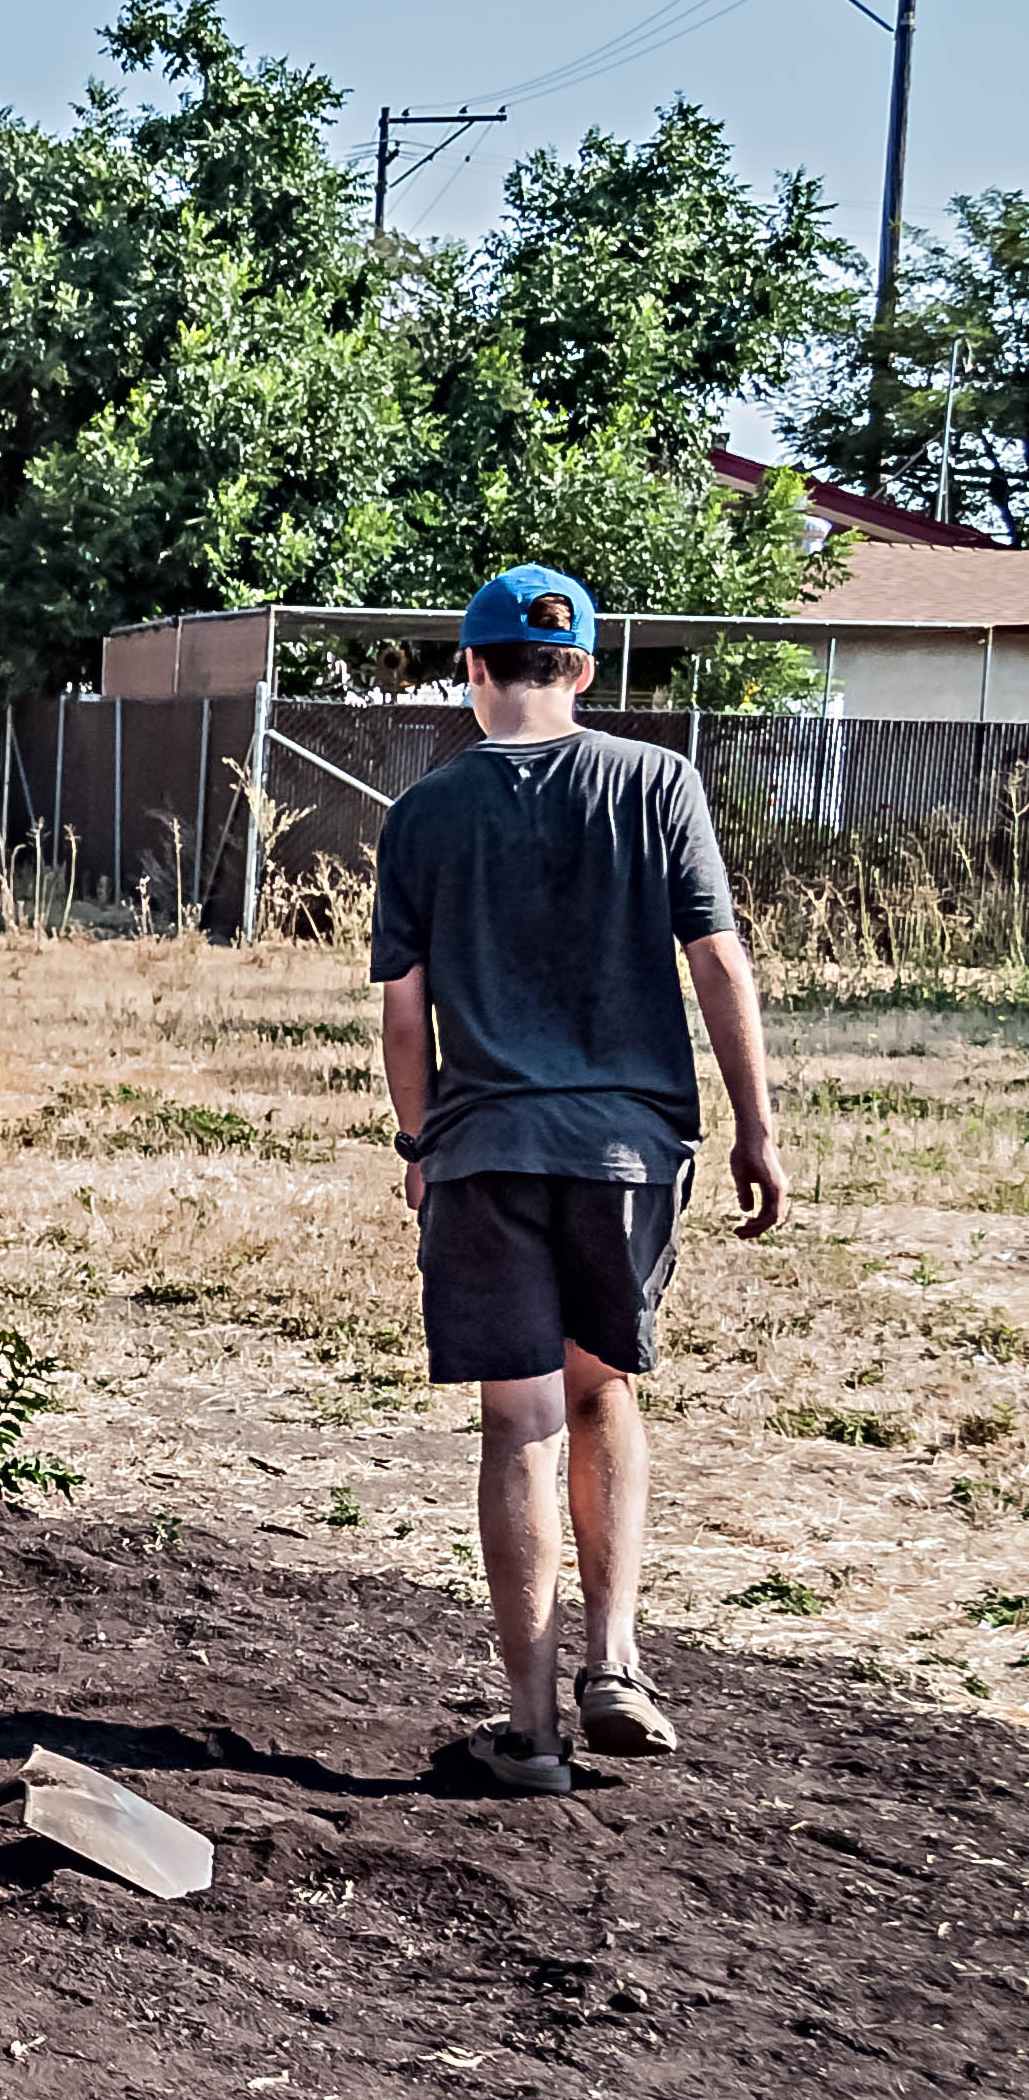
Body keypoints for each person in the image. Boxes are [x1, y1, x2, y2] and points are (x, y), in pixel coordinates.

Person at [374, 563, 786, 1795]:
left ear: (472, 669)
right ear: (585, 670)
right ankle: (614, 1663)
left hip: (486, 1149)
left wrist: (415, 1144)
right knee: (601, 1395)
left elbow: (404, 1014)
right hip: (626, 1151)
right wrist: (754, 1126)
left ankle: (530, 1730)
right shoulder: (657, 783)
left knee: (518, 1422)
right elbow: (717, 962)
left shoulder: (424, 813)